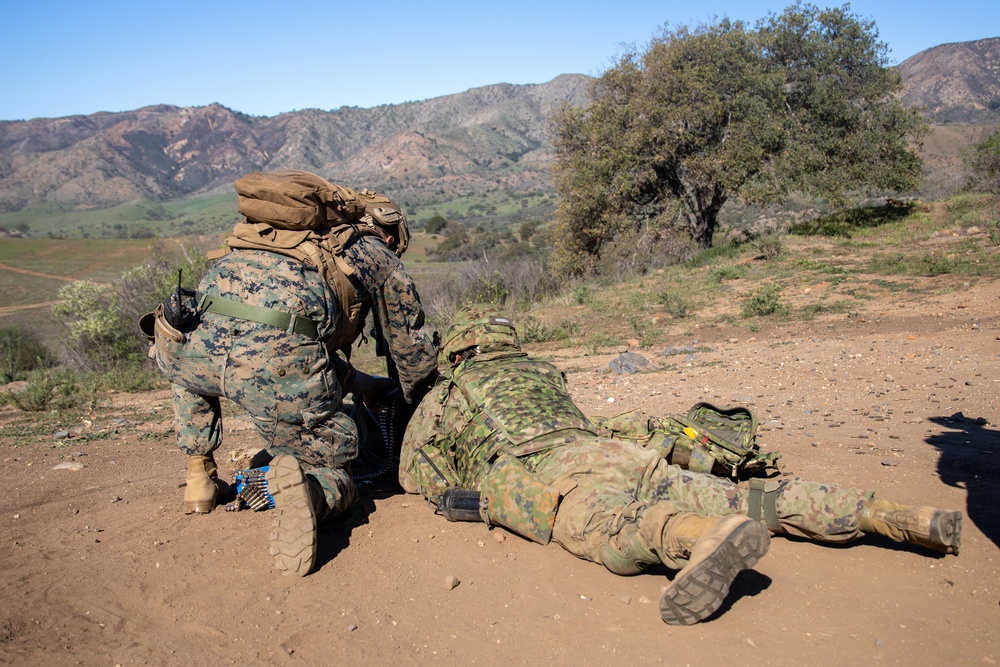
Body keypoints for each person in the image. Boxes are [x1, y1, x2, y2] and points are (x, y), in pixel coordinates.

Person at [399, 305, 962, 626]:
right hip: (615, 453)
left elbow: (412, 471)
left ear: (458, 352)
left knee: (610, 530)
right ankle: (889, 515)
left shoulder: (448, 395)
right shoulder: (544, 372)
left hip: (553, 471)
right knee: (750, 497)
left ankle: (700, 538)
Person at [146, 170, 438, 577]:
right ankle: (313, 492)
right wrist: (418, 409)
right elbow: (412, 354)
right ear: (389, 232)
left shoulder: (260, 237)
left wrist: (359, 382)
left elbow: (264, 327)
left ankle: (200, 476)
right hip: (274, 361)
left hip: (185, 347)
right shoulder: (372, 253)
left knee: (199, 358)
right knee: (338, 466)